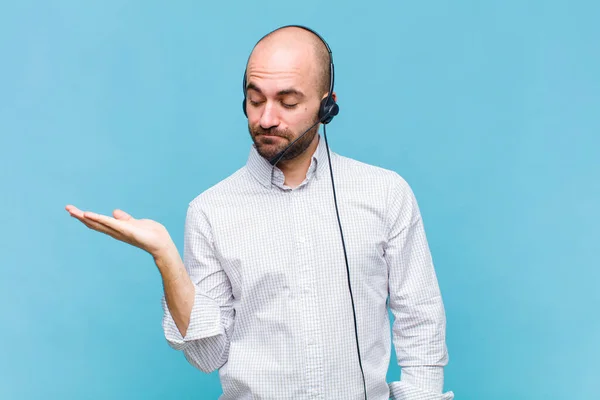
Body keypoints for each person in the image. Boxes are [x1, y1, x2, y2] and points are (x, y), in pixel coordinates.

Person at [66, 25, 453, 400]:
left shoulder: (385, 194)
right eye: (255, 100)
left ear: (326, 105)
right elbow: (206, 355)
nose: (266, 118)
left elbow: (421, 322)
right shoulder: (209, 211)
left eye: (287, 102)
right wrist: (166, 258)